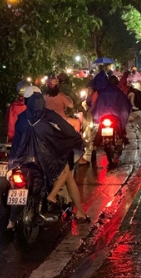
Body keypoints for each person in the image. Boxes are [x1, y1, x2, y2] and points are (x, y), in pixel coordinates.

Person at [8, 87, 89, 226]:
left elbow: (16, 141)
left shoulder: (22, 118)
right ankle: (61, 201)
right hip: (45, 160)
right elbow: (68, 130)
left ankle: (11, 222)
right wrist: (76, 138)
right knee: (66, 171)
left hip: (23, 159)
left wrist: (12, 164)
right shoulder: (49, 115)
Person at [89, 72, 132, 143]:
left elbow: (98, 104)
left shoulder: (102, 91)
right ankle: (122, 137)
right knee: (121, 126)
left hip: (104, 115)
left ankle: (95, 146)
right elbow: (125, 104)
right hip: (116, 115)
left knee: (100, 130)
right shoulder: (119, 92)